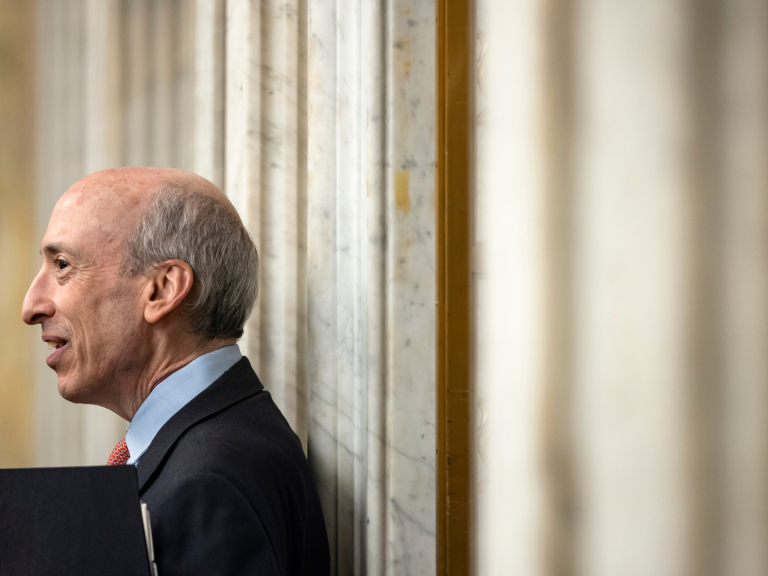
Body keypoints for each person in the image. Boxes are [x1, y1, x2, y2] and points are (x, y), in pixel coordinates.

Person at [21, 167, 330, 576]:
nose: (31, 306)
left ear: (163, 290)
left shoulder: (213, 481)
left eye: (62, 264)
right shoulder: (212, 443)